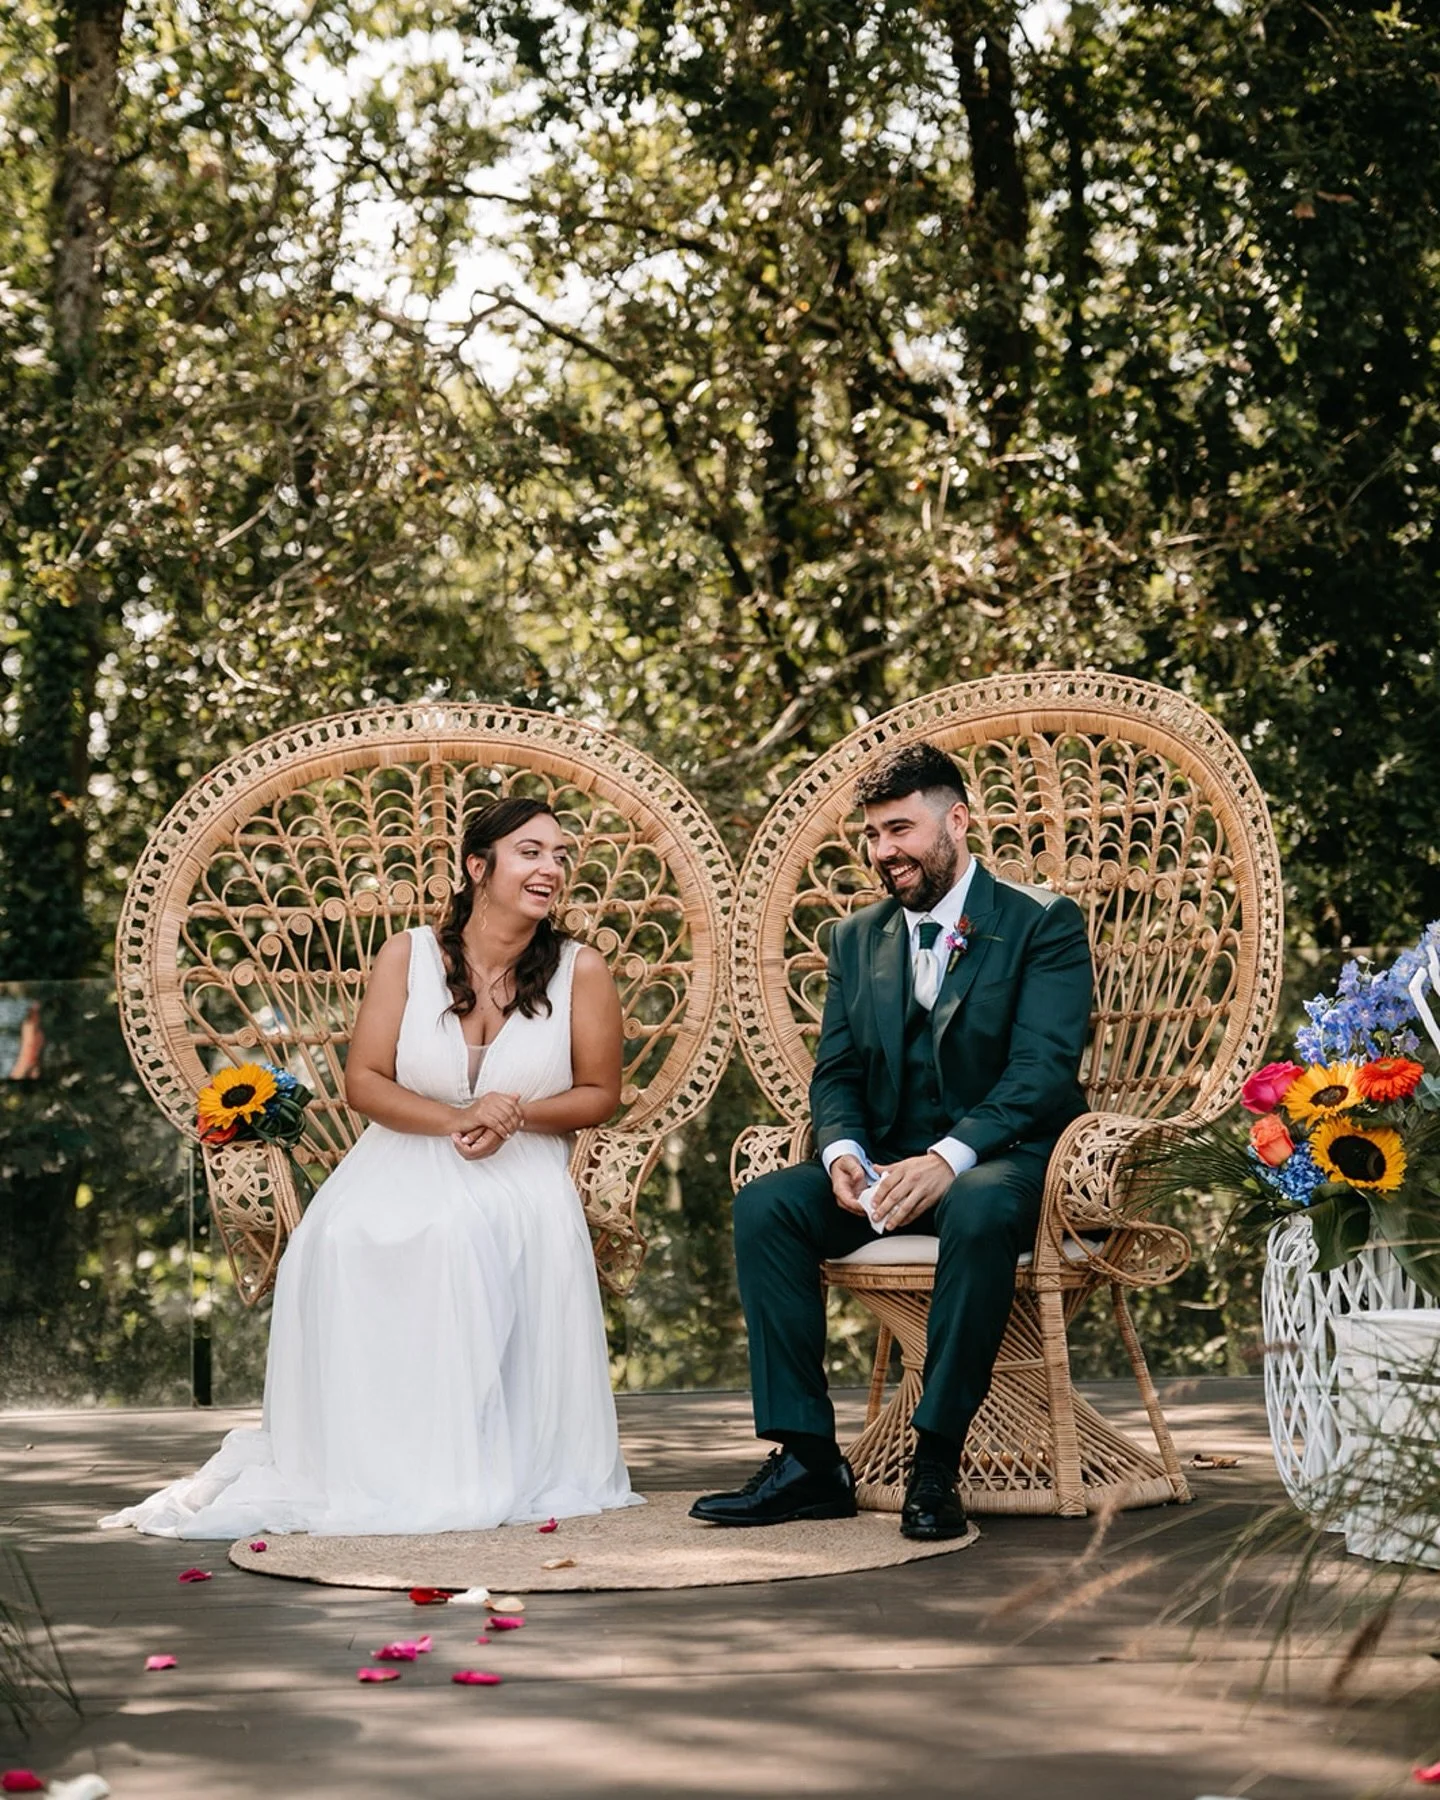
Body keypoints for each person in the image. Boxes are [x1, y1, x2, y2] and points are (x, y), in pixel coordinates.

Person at [102, 797, 639, 1538]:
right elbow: (365, 1081)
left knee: (457, 1237)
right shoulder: (406, 956)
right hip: (403, 1152)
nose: (551, 867)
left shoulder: (583, 970)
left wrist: (511, 1117)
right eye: (530, 851)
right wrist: (457, 1118)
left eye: (559, 855)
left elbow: (599, 1093)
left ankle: (467, 1459)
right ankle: (372, 1459)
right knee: (340, 1237)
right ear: (477, 866)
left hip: (521, 1166)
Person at [691, 742, 1093, 1541]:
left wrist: (948, 1158)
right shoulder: (855, 937)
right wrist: (841, 1153)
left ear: (957, 821)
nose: (883, 851)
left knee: (977, 1208)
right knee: (768, 1207)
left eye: (900, 829)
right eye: (873, 834)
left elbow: (1043, 1070)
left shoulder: (1041, 921)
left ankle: (935, 1459)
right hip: (885, 1165)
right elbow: (836, 1071)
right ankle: (809, 1460)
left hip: (1006, 1162)